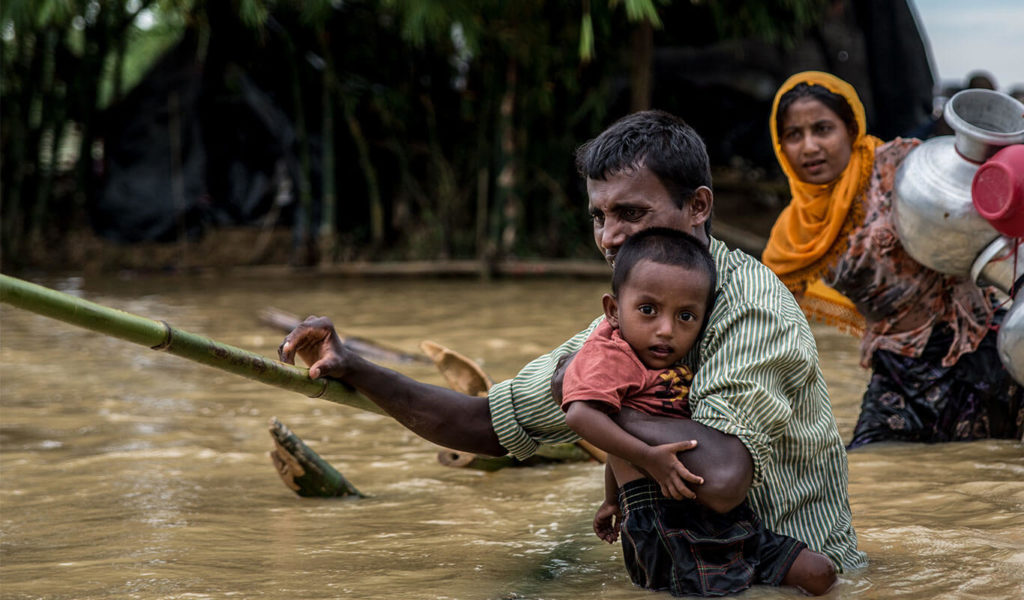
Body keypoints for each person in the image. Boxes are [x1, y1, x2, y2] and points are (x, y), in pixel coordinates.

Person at [278, 109, 867, 574]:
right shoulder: (625, 322)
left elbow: (719, 479)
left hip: (799, 578)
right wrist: (353, 366)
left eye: (631, 213)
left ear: (698, 206)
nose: (610, 238)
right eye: (598, 216)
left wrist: (586, 400)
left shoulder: (754, 310)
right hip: (703, 571)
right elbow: (490, 426)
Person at [561, 226, 835, 596]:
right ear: (613, 310)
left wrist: (611, 498)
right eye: (647, 310)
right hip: (663, 521)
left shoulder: (666, 360)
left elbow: (619, 432)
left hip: (714, 515)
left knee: (821, 574)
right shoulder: (609, 355)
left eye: (686, 317)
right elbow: (581, 415)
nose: (665, 330)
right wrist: (645, 465)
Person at [761, 71, 1024, 449]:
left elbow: (993, 203)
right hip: (897, 372)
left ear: (850, 129)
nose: (809, 147)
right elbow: (768, 321)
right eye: (793, 135)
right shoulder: (793, 234)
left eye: (823, 129)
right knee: (873, 460)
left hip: (971, 353)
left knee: (989, 464)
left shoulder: (904, 169)